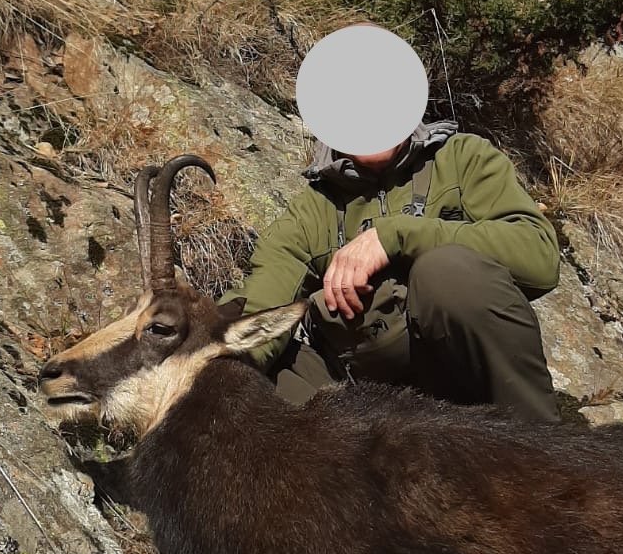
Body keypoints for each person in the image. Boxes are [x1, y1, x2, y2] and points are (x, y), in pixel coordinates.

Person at [222, 114, 561, 423]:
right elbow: (263, 301)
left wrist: (397, 235)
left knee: (447, 272)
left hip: (468, 385)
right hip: (366, 403)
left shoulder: (462, 158)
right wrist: (210, 354)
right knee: (243, 381)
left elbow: (538, 258)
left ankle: (541, 461)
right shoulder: (312, 209)